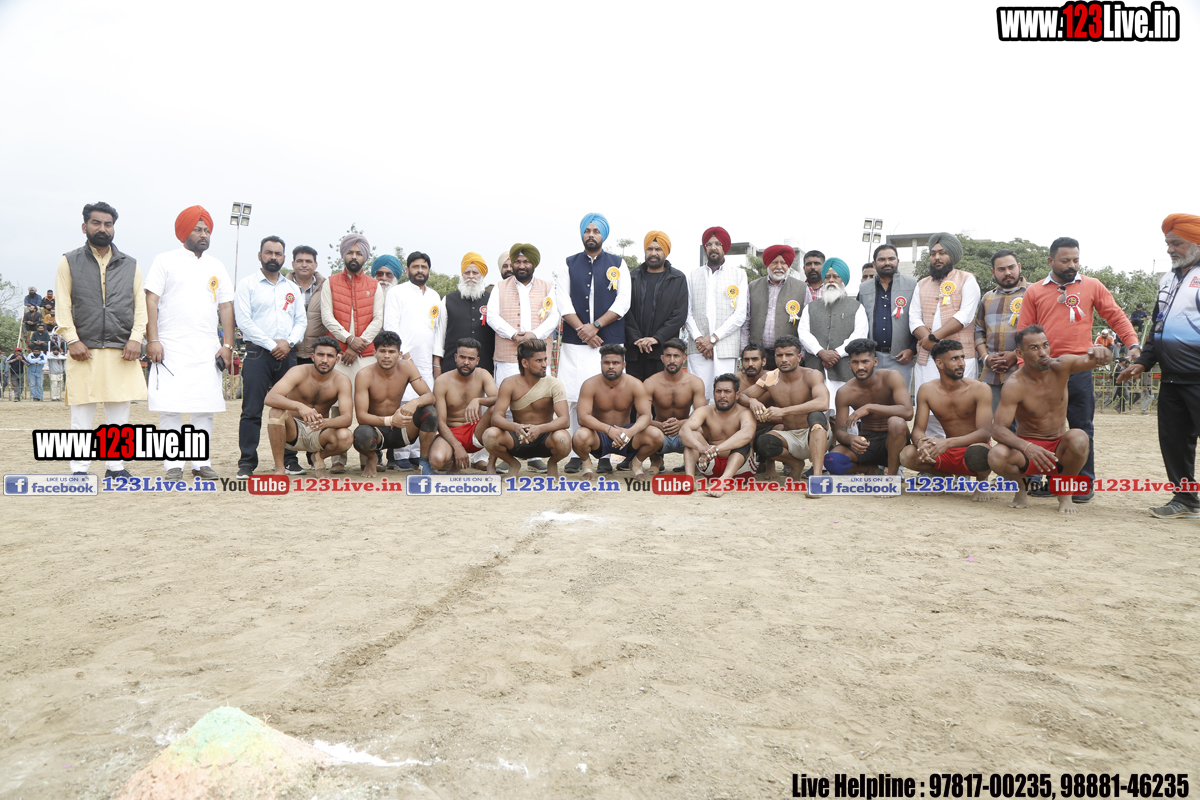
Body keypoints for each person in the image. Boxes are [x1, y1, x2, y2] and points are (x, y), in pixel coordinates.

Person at [1016, 236, 1139, 502]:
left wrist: (1133, 344)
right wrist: (1024, 370)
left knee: (1082, 426)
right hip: (1044, 371)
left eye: (1075, 260)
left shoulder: (1093, 285)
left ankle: (1082, 483)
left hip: (1079, 370)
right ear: (1051, 261)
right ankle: (1051, 482)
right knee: (1042, 428)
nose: (1071, 265)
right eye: (1065, 260)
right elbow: (1024, 332)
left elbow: (1116, 315)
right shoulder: (1034, 291)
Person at [54, 201, 147, 476]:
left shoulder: (131, 265)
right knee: (81, 415)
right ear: (85, 226)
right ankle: (79, 470)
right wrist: (72, 339)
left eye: (108, 224)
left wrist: (136, 338)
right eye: (96, 223)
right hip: (84, 349)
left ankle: (115, 467)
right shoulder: (69, 261)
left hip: (122, 349)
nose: (102, 228)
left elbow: (140, 306)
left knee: (119, 415)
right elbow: (63, 303)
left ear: (113, 228)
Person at [1117, 213, 1200, 519]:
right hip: (1172, 378)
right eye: (1167, 243)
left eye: (1176, 243)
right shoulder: (1168, 279)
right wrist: (1143, 362)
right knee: (1174, 440)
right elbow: (1158, 327)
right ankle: (1185, 499)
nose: (1170, 249)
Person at [145, 205, 234, 481]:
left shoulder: (216, 265)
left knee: (203, 408)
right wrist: (153, 339)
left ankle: (200, 462)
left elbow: (226, 306)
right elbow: (150, 300)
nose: (204, 234)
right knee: (170, 407)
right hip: (169, 345)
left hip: (207, 347)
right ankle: (173, 465)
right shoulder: (164, 260)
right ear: (183, 232)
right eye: (197, 229)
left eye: (207, 230)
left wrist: (228, 345)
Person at [988, 325, 1112, 512]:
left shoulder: (1062, 366)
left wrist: (1103, 352)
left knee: (1079, 437)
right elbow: (998, 429)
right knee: (996, 455)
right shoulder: (1015, 384)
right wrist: (1027, 447)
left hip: (1058, 450)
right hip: (1027, 453)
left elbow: (1096, 360)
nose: (1043, 352)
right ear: (1020, 353)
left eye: (1045, 345)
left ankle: (1065, 493)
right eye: (1034, 348)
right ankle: (1022, 487)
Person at [558, 213, 631, 473]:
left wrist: (596, 326)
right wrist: (583, 330)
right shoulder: (569, 263)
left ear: (603, 235)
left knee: (605, 398)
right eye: (587, 230)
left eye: (596, 231)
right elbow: (563, 301)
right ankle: (577, 453)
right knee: (575, 397)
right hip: (575, 343)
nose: (591, 235)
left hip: (608, 341)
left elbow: (624, 301)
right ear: (582, 234)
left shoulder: (618, 263)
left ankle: (605, 456)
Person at [233, 235, 308, 477]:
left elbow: (301, 321)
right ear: (260, 255)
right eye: (269, 253)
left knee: (289, 409)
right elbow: (244, 321)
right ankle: (247, 462)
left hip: (288, 355)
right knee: (251, 409)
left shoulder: (292, 288)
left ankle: (290, 459)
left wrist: (289, 343)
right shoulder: (247, 284)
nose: (273, 257)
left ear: (284, 258)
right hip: (257, 354)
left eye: (278, 253)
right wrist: (272, 344)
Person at [899, 339, 994, 500]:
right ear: (940, 364)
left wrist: (947, 443)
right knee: (907, 454)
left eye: (962, 357)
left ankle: (981, 482)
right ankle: (944, 477)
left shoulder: (980, 389)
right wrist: (921, 442)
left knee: (980, 452)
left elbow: (984, 434)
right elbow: (918, 430)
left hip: (972, 448)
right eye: (954, 359)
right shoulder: (927, 390)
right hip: (947, 451)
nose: (961, 363)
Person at [320, 233, 384, 471]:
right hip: (338, 356)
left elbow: (378, 319)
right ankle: (338, 459)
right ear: (343, 255)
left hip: (366, 356)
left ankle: (369, 458)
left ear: (365, 257)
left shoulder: (375, 285)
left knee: (369, 408)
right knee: (338, 407)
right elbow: (327, 317)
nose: (354, 256)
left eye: (358, 253)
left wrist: (357, 345)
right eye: (350, 252)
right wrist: (348, 340)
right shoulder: (330, 283)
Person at [739, 335, 830, 480]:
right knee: (764, 442)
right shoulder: (771, 378)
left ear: (799, 357)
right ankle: (795, 464)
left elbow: (823, 403)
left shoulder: (811, 375)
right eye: (779, 355)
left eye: (789, 355)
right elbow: (741, 396)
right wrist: (752, 401)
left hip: (814, 434)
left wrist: (783, 411)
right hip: (790, 437)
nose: (784, 359)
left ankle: (817, 478)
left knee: (816, 415)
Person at [384, 250, 442, 469]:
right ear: (407, 270)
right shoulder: (396, 292)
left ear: (429, 271)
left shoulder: (434, 296)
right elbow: (390, 326)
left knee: (424, 403)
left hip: (426, 360)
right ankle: (400, 454)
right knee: (403, 404)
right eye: (415, 266)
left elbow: (437, 329)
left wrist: (435, 360)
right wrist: (404, 355)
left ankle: (417, 452)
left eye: (424, 267)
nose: (420, 271)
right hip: (402, 359)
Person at [352, 331, 438, 477]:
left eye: (392, 352)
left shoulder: (407, 367)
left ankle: (423, 463)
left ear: (399, 354)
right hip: (376, 431)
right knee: (361, 434)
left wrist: (414, 402)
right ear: (374, 353)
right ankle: (372, 458)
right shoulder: (364, 375)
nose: (387, 356)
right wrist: (391, 420)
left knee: (430, 412)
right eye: (382, 351)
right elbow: (361, 417)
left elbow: (430, 396)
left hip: (401, 431)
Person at [264, 336, 354, 477]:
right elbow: (270, 397)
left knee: (346, 436)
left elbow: (347, 418)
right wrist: (300, 406)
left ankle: (318, 457)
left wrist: (325, 422)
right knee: (276, 412)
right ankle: (280, 468)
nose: (324, 360)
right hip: (292, 430)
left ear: (337, 359)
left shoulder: (342, 380)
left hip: (319, 431)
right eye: (320, 355)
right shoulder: (298, 371)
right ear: (313, 357)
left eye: (330, 356)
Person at [483, 338, 572, 476]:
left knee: (563, 439)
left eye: (545, 359)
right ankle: (513, 463)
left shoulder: (554, 384)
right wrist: (516, 427)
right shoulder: (509, 383)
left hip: (544, 438)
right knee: (490, 435)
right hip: (518, 437)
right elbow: (496, 418)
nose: (544, 364)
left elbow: (565, 420)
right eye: (539, 360)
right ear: (525, 363)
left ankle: (552, 463)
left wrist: (539, 429)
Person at [572, 344, 661, 479]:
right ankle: (586, 464)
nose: (611, 366)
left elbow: (646, 415)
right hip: (600, 434)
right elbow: (583, 417)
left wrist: (630, 432)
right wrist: (609, 430)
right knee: (579, 436)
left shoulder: (635, 384)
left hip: (626, 434)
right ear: (601, 364)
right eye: (607, 363)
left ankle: (636, 463)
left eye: (616, 363)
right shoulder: (590, 384)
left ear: (624, 364)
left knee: (656, 435)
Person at [827, 339, 913, 476]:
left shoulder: (891, 376)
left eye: (865, 361)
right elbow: (840, 431)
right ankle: (869, 469)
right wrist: (851, 439)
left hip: (894, 439)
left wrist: (870, 407)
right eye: (855, 362)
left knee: (896, 422)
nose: (860, 367)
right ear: (849, 364)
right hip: (867, 442)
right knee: (832, 460)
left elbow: (908, 412)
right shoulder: (845, 392)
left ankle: (891, 476)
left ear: (875, 362)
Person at [797, 258, 868, 414]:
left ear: (843, 280)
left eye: (836, 276)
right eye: (827, 277)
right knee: (817, 417)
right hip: (816, 370)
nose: (831, 280)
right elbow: (803, 333)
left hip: (844, 370)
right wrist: (820, 352)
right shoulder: (811, 307)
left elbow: (860, 334)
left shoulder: (856, 307)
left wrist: (836, 354)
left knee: (845, 417)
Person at [686, 226, 748, 402]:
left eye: (718, 244)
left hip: (725, 346)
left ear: (724, 247)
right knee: (699, 395)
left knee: (724, 396)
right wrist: (700, 340)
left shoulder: (739, 274)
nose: (713, 247)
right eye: (709, 244)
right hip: (698, 348)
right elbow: (687, 312)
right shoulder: (693, 275)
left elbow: (740, 314)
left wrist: (713, 339)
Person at [488, 243, 558, 384]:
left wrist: (535, 335)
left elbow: (554, 316)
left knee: (540, 395)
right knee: (507, 395)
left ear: (534, 264)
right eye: (517, 262)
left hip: (539, 356)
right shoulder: (500, 286)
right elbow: (491, 316)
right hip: (509, 358)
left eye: (526, 262)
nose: (521, 266)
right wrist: (513, 334)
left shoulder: (547, 287)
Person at [680, 374, 758, 495]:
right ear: (714, 393)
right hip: (711, 466)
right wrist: (700, 448)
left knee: (742, 441)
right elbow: (684, 430)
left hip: (741, 470)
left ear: (737, 395)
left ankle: (723, 482)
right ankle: (690, 480)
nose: (722, 396)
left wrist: (716, 449)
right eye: (718, 391)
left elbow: (747, 434)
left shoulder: (745, 412)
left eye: (727, 391)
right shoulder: (704, 411)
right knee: (693, 436)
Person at [626, 231, 688, 382]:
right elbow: (625, 311)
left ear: (665, 252)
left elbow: (679, 314)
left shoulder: (677, 278)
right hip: (635, 350)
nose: (653, 253)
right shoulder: (632, 277)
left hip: (664, 351)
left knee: (661, 394)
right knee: (635, 393)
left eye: (658, 249)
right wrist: (637, 339)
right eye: (650, 249)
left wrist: (656, 338)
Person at [430, 338, 500, 473]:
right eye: (462, 357)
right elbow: (440, 422)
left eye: (471, 358)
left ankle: (491, 464)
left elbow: (499, 399)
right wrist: (457, 446)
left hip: (476, 431)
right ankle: (453, 462)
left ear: (477, 360)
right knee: (437, 460)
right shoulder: (442, 381)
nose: (466, 362)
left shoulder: (483, 374)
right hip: (452, 432)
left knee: (496, 409)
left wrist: (479, 401)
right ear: (456, 357)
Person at [974, 249, 1029, 413]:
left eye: (1011, 267)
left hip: (1025, 372)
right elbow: (978, 331)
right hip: (993, 373)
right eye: (1001, 269)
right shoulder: (987, 298)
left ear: (1019, 267)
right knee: (996, 422)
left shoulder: (1034, 293)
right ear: (993, 272)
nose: (1007, 273)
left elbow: (1043, 331)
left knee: (1025, 422)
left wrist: (1016, 355)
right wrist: (986, 358)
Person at [857, 243, 918, 388]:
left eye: (891, 259)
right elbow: (858, 321)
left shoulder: (913, 285)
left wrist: (912, 349)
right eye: (882, 259)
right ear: (874, 263)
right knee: (873, 397)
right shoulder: (864, 288)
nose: (887, 263)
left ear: (897, 261)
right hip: (872, 357)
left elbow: (919, 318)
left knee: (900, 399)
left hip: (901, 357)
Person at [643, 338, 707, 474]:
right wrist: (658, 425)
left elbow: (703, 415)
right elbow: (641, 416)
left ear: (684, 358)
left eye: (676, 356)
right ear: (662, 358)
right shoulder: (650, 382)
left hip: (685, 431)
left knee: (703, 429)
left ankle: (693, 462)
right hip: (660, 431)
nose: (672, 360)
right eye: (668, 356)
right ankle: (656, 460)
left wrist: (682, 424)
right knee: (642, 429)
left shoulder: (695, 382)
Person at [741, 244, 808, 371]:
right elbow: (746, 322)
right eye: (774, 262)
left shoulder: (802, 288)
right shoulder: (753, 286)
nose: (779, 266)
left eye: (783, 262)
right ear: (767, 264)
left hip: (788, 358)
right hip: (758, 356)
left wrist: (801, 356)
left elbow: (807, 325)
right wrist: (745, 352)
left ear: (788, 265)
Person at [434, 253, 496, 377]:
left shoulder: (493, 300)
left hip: (484, 367)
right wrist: (436, 364)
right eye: (467, 272)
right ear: (462, 274)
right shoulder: (448, 300)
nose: (471, 276)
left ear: (482, 275)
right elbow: (440, 334)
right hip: (452, 365)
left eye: (475, 272)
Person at [292, 245, 326, 365]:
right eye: (300, 261)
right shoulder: (283, 287)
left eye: (308, 261)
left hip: (317, 353)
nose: (304, 264)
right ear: (293, 264)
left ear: (315, 265)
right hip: (288, 352)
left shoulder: (327, 287)